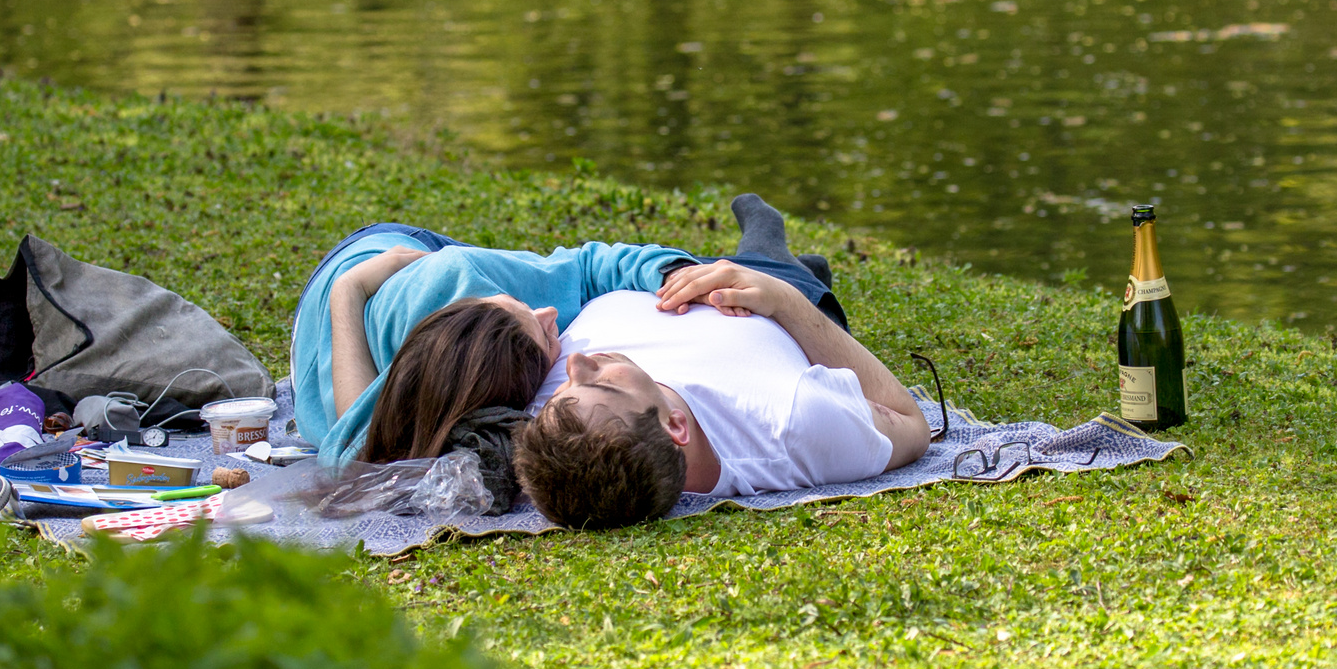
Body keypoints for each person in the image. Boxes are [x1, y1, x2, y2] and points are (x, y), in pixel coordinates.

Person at [290, 198, 842, 468]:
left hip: (394, 259)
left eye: (534, 313)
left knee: (707, 285)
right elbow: (349, 448)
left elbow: (589, 266)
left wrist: (674, 274)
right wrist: (350, 291)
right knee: (774, 295)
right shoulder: (403, 402)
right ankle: (786, 269)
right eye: (545, 336)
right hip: (363, 273)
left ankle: (771, 259)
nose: (552, 315)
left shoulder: (476, 290)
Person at [514, 260, 932, 529]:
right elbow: (912, 423)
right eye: (602, 382)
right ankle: (793, 269)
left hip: (660, 269)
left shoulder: (553, 422)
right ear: (676, 426)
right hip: (765, 299)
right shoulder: (792, 424)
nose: (575, 364)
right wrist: (785, 300)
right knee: (789, 272)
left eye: (566, 389)